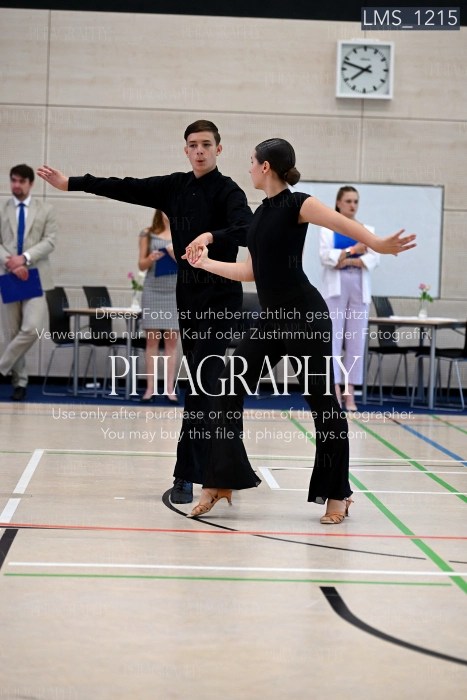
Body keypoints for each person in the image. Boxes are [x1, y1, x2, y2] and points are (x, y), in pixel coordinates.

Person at [183, 138, 415, 522]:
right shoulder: (260, 214)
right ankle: (220, 481)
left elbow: (342, 224)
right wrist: (205, 264)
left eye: (252, 161)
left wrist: (377, 243)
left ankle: (338, 494)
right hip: (271, 321)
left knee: (322, 404)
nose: (249, 167)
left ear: (266, 167)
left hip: (306, 317)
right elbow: (250, 272)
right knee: (226, 386)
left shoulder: (298, 203)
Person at [37, 119, 252, 504]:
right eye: (193, 145)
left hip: (221, 298)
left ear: (219, 149)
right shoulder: (174, 186)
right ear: (185, 150)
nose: (199, 151)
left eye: (206, 144)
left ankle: (188, 475)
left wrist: (209, 236)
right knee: (206, 386)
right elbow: (125, 186)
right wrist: (71, 183)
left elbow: (245, 229)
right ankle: (223, 471)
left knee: (202, 384)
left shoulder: (229, 190)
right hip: (188, 295)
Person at [319, 186, 380, 411]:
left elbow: (374, 258)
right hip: (335, 289)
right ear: (338, 203)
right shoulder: (327, 229)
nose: (352, 205)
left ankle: (350, 392)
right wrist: (354, 250)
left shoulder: (367, 230)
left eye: (355, 201)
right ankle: (335, 390)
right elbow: (326, 258)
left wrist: (346, 259)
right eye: (348, 201)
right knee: (333, 340)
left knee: (355, 341)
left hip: (359, 288)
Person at [0, 164, 57, 401]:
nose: (16, 185)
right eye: (13, 180)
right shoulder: (2, 209)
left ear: (30, 183)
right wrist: (11, 262)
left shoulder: (45, 209)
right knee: (12, 332)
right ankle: (20, 382)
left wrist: (24, 258)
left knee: (32, 328)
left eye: (21, 181)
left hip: (36, 276)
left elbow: (50, 241)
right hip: (8, 274)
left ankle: (1, 367)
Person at [138, 209, 179, 403]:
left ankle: (170, 389)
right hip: (153, 290)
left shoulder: (183, 233)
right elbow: (141, 265)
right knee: (152, 342)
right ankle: (150, 389)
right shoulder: (147, 233)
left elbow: (190, 263)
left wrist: (173, 254)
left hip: (175, 292)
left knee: (171, 343)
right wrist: (151, 258)